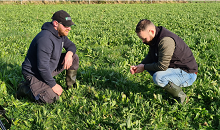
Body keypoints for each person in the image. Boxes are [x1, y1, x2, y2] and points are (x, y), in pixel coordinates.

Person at [16, 10, 79, 104]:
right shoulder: (45, 39)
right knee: (52, 99)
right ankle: (24, 89)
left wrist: (69, 53)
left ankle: (70, 87)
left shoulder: (60, 34)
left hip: (49, 68)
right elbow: (42, 67)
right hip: (35, 73)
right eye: (66, 25)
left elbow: (71, 46)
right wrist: (53, 85)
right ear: (56, 23)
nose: (69, 28)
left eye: (69, 25)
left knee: (74, 57)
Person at [130, 19, 198, 104]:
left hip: (188, 73)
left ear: (151, 31)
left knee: (158, 77)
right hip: (175, 68)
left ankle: (181, 97)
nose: (143, 41)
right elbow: (151, 55)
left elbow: (162, 66)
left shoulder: (165, 41)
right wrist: (140, 66)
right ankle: (170, 87)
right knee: (149, 66)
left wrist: (144, 67)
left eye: (144, 38)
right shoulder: (155, 37)